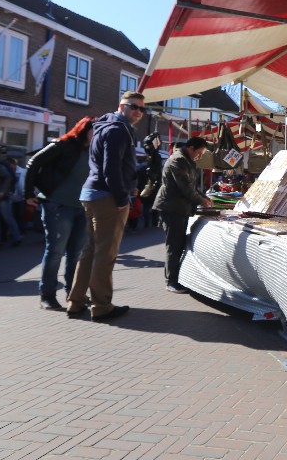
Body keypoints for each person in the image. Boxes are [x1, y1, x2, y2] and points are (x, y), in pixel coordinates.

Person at [67, 91, 146, 322]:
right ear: (121, 106)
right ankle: (101, 306)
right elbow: (111, 169)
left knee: (90, 251)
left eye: (142, 109)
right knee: (105, 254)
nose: (138, 112)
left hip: (91, 193)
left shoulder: (103, 125)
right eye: (134, 107)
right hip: (107, 197)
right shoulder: (118, 130)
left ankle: (75, 302)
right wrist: (122, 198)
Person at [24, 117, 94, 310]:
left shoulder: (95, 150)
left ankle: (74, 293)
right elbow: (33, 162)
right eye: (95, 130)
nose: (98, 135)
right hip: (58, 205)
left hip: (82, 207)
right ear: (84, 129)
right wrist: (28, 194)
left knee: (76, 253)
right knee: (55, 251)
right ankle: (47, 295)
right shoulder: (63, 145)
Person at [153, 136, 212, 293]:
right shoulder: (178, 160)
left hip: (179, 208)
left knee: (178, 245)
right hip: (172, 208)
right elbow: (185, 187)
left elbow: (192, 186)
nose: (199, 156)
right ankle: (171, 282)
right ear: (191, 148)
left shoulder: (187, 160)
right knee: (174, 246)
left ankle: (176, 278)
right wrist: (201, 201)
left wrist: (203, 197)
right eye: (199, 153)